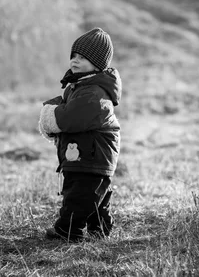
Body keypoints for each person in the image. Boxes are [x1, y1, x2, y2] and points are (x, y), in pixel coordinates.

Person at [38, 27, 122, 242]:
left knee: (78, 197)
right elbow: (68, 108)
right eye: (73, 56)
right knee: (91, 197)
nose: (75, 61)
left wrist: (51, 111)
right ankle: (100, 229)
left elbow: (70, 118)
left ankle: (67, 230)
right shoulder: (80, 86)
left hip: (93, 156)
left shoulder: (93, 93)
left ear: (97, 64)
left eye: (82, 57)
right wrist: (59, 104)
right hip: (83, 155)